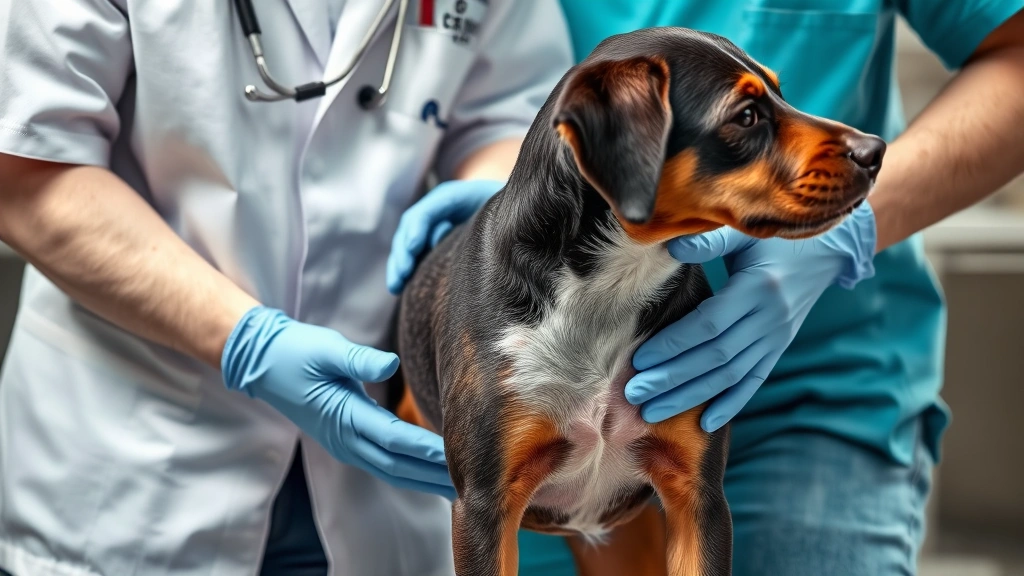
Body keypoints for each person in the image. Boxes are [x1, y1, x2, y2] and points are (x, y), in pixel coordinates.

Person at [387, 1, 1024, 574]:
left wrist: (857, 227)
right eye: (749, 115)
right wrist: (506, 194)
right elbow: (487, 90)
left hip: (821, 399)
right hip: (537, 392)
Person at [0, 1, 574, 575]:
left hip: (381, 467)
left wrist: (498, 200)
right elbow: (29, 170)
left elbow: (513, 120)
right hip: (134, 458)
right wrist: (251, 343)